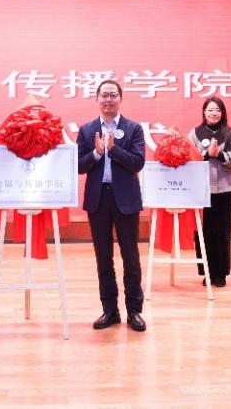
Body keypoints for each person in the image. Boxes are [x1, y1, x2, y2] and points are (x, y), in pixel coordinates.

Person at [77, 79, 147, 332]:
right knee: (103, 257)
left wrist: (113, 150)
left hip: (125, 199)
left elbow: (137, 162)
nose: (108, 100)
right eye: (104, 95)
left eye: (113, 95)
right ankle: (110, 311)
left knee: (131, 256)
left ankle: (134, 311)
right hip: (98, 199)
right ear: (97, 99)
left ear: (120, 98)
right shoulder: (86, 130)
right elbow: (78, 166)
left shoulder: (133, 129)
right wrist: (97, 153)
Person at [187, 96, 231, 288]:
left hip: (225, 190)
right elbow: (188, 158)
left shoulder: (230, 134)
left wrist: (219, 154)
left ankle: (221, 273)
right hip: (202, 191)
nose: (214, 113)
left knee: (222, 232)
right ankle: (207, 272)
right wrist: (205, 155)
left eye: (217, 110)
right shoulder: (195, 133)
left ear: (223, 113)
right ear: (204, 112)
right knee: (204, 233)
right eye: (210, 109)